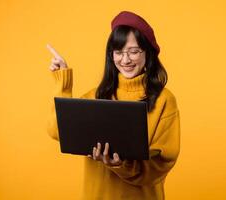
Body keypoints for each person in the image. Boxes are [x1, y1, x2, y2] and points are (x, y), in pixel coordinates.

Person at [47, 11, 180, 200]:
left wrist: (122, 164)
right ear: (111, 55)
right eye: (118, 52)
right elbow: (57, 130)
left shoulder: (164, 100)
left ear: (148, 53)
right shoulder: (96, 96)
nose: (125, 60)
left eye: (133, 52)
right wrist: (63, 83)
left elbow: (161, 164)